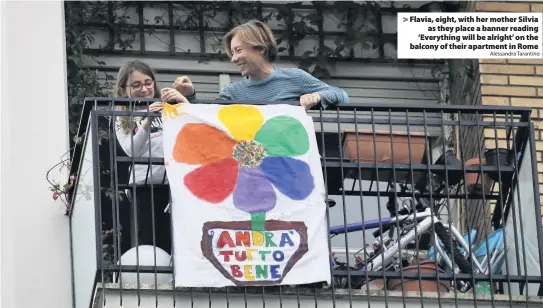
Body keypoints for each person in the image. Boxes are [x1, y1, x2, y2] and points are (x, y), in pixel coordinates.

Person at [173, 19, 348, 108]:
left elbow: (341, 95)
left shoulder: (295, 77)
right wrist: (191, 96)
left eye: (239, 51)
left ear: (260, 49)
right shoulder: (232, 92)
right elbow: (207, 118)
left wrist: (317, 97)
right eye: (232, 53)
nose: (234, 59)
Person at [114, 60, 191, 253]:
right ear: (124, 89)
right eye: (136, 85)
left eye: (148, 83)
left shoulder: (168, 107)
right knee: (151, 239)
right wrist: (147, 120)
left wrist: (184, 101)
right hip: (144, 185)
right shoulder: (123, 115)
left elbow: (193, 132)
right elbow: (131, 150)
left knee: (182, 236)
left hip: (175, 182)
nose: (144, 89)